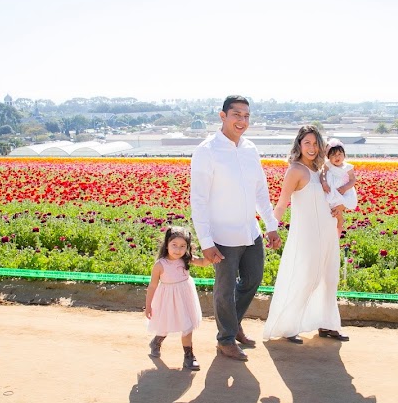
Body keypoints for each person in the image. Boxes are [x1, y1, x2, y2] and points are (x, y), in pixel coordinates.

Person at [190, 95, 281, 362]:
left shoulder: (250, 149)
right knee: (225, 288)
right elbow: (199, 199)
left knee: (253, 279)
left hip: (250, 231)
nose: (242, 121)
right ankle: (226, 339)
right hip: (222, 235)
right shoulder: (207, 151)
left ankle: (233, 323)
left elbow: (260, 191)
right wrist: (206, 241)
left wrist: (271, 225)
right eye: (236, 115)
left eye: (246, 116)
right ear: (223, 116)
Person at [262, 125, 349, 343]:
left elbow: (335, 196)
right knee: (306, 278)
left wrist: (339, 209)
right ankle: (287, 326)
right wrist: (271, 227)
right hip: (308, 235)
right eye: (307, 143)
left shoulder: (322, 170)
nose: (311, 147)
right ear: (299, 145)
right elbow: (282, 203)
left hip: (328, 232)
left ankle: (328, 325)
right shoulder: (295, 170)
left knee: (329, 279)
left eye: (315, 143)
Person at [145, 226, 209, 371]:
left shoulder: (186, 259)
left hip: (186, 297)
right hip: (168, 299)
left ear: (187, 247)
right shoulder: (160, 265)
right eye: (174, 245)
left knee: (187, 325)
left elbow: (203, 262)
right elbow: (152, 286)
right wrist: (148, 306)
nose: (178, 250)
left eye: (182, 246)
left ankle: (189, 356)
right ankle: (156, 342)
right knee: (166, 324)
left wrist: (212, 254)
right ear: (167, 244)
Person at [321, 138, 357, 236]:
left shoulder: (347, 167)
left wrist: (345, 188)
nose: (337, 157)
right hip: (331, 191)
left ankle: (338, 231)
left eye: (339, 154)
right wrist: (324, 182)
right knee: (331, 213)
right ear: (328, 157)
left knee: (338, 212)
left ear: (344, 155)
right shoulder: (327, 165)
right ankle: (331, 233)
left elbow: (353, 180)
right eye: (333, 155)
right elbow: (323, 174)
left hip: (342, 192)